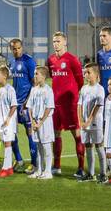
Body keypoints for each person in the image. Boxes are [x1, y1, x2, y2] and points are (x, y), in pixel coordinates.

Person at [46, 31, 84, 177]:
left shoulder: (72, 60)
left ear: (65, 42)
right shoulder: (51, 60)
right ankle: (57, 165)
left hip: (70, 105)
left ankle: (81, 167)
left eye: (58, 41)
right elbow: (53, 78)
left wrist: (73, 96)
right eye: (54, 41)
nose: (56, 44)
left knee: (77, 135)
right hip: (56, 104)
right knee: (56, 134)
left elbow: (80, 81)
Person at [7, 39, 37, 172]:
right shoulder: (12, 63)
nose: (16, 50)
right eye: (14, 49)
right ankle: (19, 160)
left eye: (18, 48)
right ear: (11, 49)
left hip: (26, 104)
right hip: (14, 103)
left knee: (30, 132)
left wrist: (28, 102)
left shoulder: (29, 61)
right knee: (11, 133)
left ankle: (34, 163)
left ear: (22, 48)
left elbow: (34, 83)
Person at [77, 63, 106, 181]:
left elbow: (97, 106)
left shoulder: (100, 89)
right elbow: (79, 105)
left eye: (89, 72)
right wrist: (80, 121)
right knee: (88, 147)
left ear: (96, 74)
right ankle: (91, 173)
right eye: (85, 72)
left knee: (99, 146)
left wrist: (88, 120)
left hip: (95, 123)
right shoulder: (84, 88)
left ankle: (103, 174)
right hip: (84, 123)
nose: (86, 75)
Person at [26, 68, 55, 179]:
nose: (35, 76)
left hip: (45, 122)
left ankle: (48, 172)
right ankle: (39, 170)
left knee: (46, 146)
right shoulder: (34, 90)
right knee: (38, 147)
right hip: (35, 122)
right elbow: (29, 106)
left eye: (36, 74)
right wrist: (32, 121)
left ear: (43, 76)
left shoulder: (48, 90)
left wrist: (41, 122)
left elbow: (49, 107)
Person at [0, 66, 19, 178]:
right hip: (2, 122)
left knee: (8, 143)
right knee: (5, 143)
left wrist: (8, 119)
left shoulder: (10, 89)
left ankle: (6, 168)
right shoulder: (0, 90)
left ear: (4, 76)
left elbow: (14, 105)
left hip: (9, 122)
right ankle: (8, 168)